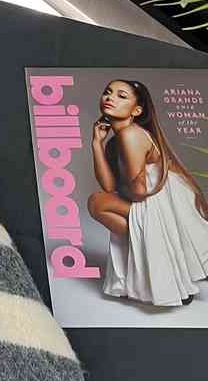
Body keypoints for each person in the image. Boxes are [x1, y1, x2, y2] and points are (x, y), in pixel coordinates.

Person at [87, 78, 208, 307]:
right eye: (108, 92)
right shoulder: (115, 142)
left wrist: (122, 191)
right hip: (152, 200)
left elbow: (139, 192)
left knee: (97, 202)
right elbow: (109, 187)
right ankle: (167, 268)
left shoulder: (131, 134)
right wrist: (96, 144)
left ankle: (167, 269)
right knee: (98, 202)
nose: (110, 98)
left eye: (122, 96)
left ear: (137, 110)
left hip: (165, 201)